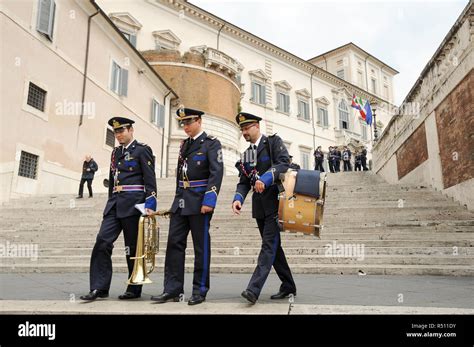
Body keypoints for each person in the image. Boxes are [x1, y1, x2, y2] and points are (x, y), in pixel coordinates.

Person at [151, 107, 223, 306]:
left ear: (199, 121)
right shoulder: (184, 145)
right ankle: (172, 289)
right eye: (183, 123)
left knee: (201, 248)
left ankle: (200, 290)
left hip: (200, 202)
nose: (185, 127)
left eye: (189, 122)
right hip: (181, 202)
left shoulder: (211, 144)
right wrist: (176, 200)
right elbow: (180, 175)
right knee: (174, 245)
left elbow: (216, 173)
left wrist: (210, 200)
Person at [80, 117, 157, 301]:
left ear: (131, 130)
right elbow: (113, 181)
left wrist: (151, 204)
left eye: (121, 131)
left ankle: (134, 287)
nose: (118, 135)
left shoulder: (142, 150)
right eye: (116, 132)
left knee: (132, 247)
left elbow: (150, 180)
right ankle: (99, 287)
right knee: (102, 242)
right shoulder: (115, 153)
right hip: (115, 204)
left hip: (134, 204)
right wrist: (109, 202)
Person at [232, 112, 296, 305]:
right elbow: (243, 182)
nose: (244, 132)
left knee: (268, 246)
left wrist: (265, 179)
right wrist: (238, 199)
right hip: (259, 208)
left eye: (247, 128)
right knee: (274, 248)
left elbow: (283, 163)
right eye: (242, 129)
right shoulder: (246, 155)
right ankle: (288, 286)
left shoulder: (272, 142)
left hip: (277, 204)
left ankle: (253, 289)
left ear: (257, 126)